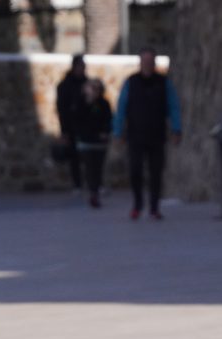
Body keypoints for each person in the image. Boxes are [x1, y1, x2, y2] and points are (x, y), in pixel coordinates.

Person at [113, 46, 182, 220]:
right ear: (140, 62)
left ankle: (154, 207)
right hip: (135, 135)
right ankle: (137, 204)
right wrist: (118, 131)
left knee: (156, 172)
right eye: (144, 60)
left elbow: (173, 106)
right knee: (135, 170)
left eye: (150, 60)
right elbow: (121, 107)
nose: (147, 64)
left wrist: (176, 129)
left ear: (154, 62)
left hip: (157, 135)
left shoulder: (163, 83)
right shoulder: (131, 82)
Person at [74, 78, 112, 208]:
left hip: (100, 143)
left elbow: (108, 120)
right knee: (89, 168)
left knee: (98, 168)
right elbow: (77, 120)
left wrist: (105, 132)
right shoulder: (80, 103)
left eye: (97, 88)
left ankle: (96, 189)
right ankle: (93, 193)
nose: (95, 91)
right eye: (92, 88)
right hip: (86, 142)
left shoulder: (104, 104)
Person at [56, 54, 87, 193]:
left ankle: (93, 183)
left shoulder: (87, 83)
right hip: (72, 127)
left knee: (89, 156)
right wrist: (64, 131)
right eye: (80, 66)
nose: (82, 69)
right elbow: (62, 109)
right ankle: (77, 184)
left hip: (86, 126)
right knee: (74, 156)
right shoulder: (64, 86)